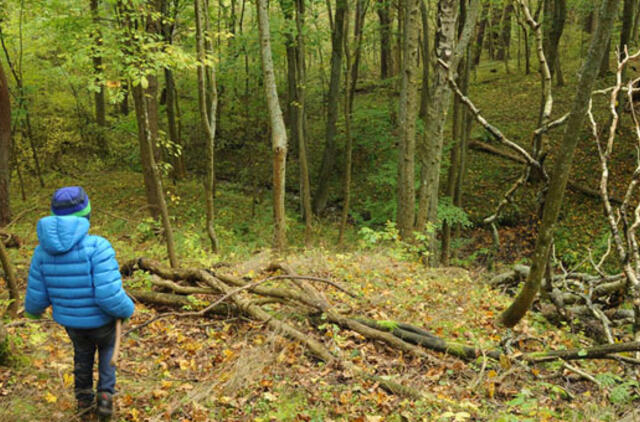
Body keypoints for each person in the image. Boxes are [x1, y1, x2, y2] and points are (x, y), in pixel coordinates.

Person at [24, 186, 134, 419]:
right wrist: (126, 310)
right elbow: (108, 295)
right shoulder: (98, 246)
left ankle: (83, 400)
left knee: (82, 354)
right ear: (86, 215)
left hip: (71, 323)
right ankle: (105, 397)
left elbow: (37, 293)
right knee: (107, 352)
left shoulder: (41, 252)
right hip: (103, 322)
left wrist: (33, 312)